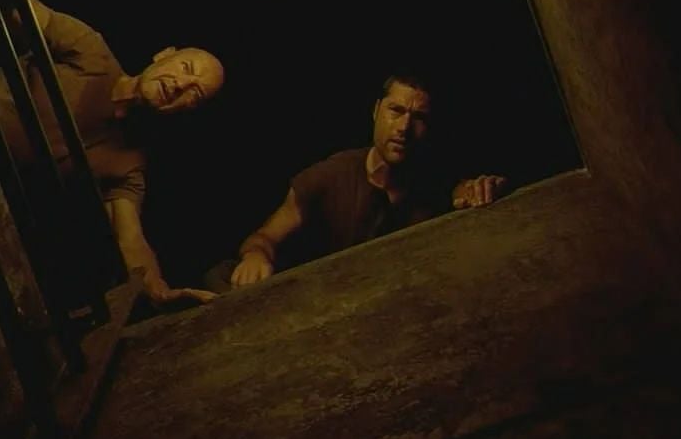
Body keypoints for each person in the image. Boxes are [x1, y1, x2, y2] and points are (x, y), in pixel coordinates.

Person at [0, 0, 224, 306]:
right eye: (186, 68)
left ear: (186, 112)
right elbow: (15, 10)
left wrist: (160, 291)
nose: (180, 85)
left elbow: (130, 240)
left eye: (194, 93)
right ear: (163, 55)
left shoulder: (128, 166)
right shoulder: (91, 51)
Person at [213, 72, 507, 291]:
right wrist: (255, 257)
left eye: (419, 117)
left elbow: (461, 191)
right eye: (396, 111)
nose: (404, 127)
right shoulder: (330, 175)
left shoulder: (434, 178)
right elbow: (264, 237)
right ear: (376, 111)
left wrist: (480, 191)